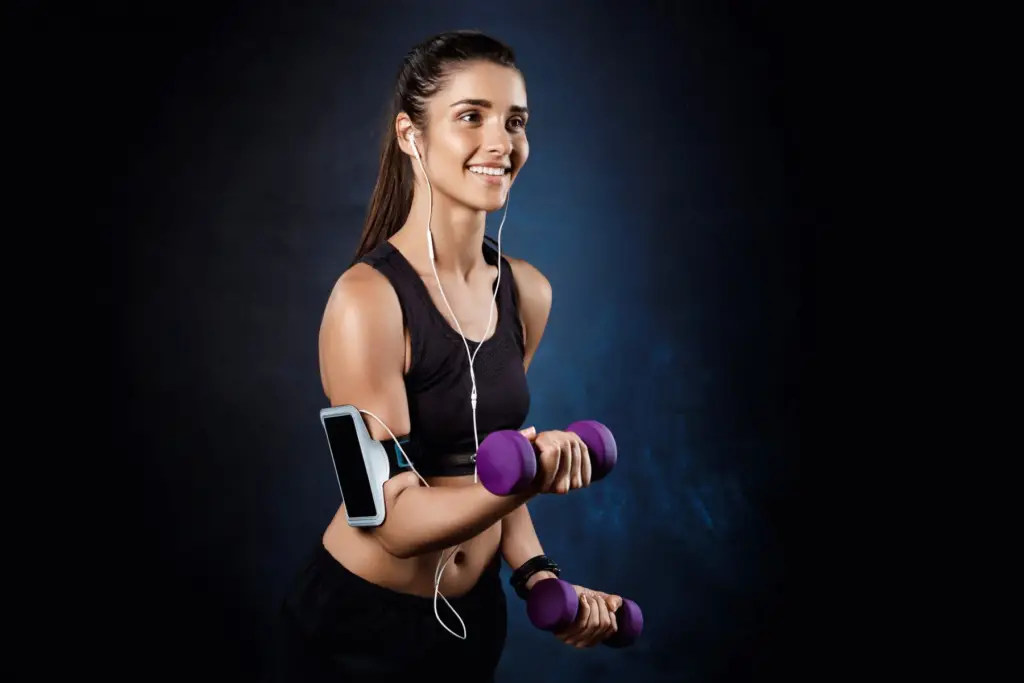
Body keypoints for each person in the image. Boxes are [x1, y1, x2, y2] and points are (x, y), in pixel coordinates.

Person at [276, 30, 624, 682]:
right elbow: (389, 520)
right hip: (357, 626)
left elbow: (489, 451)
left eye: (515, 121)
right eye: (472, 116)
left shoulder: (528, 292)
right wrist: (528, 473)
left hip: (471, 622)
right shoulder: (365, 301)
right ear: (411, 135)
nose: (502, 142)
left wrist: (537, 575)